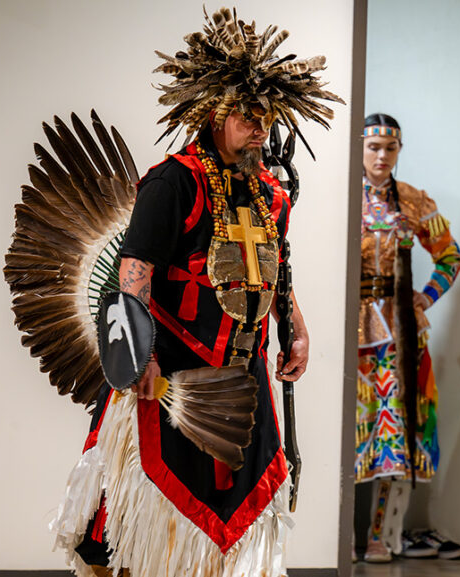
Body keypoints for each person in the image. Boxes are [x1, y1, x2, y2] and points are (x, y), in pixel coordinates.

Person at [48, 8, 342, 577]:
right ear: (212, 111)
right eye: (246, 115)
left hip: (246, 382)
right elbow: (134, 271)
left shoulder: (269, 195)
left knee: (239, 531)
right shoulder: (173, 182)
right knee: (140, 529)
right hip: (173, 374)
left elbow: (273, 270)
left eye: (267, 116)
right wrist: (139, 358)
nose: (259, 127)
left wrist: (295, 328)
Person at [355, 113, 460, 562]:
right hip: (348, 327)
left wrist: (426, 298)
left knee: (397, 431)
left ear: (399, 151)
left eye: (390, 149)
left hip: (399, 332)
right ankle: (333, 533)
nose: (382, 156)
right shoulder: (339, 199)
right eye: (374, 147)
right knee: (348, 427)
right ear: (360, 148)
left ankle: (382, 536)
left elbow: (451, 257)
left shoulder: (415, 202)